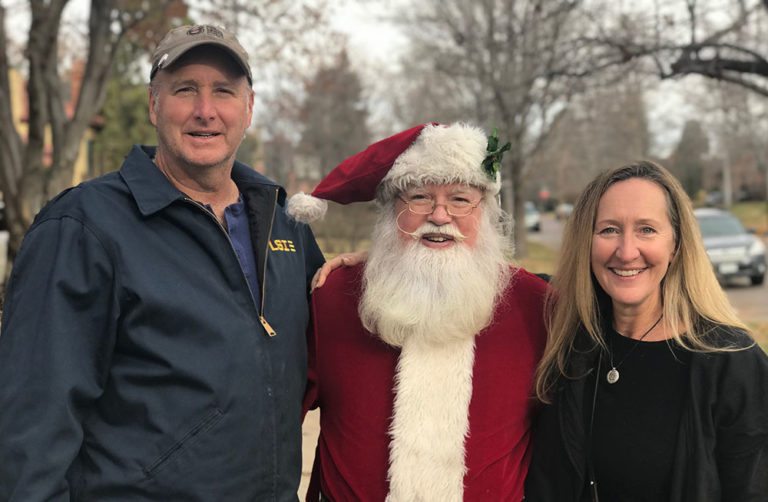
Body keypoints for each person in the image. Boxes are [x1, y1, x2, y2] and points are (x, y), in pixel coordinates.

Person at [0, 25, 324, 500]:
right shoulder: (84, 228)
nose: (205, 111)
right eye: (185, 90)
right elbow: (32, 422)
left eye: (223, 92)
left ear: (249, 108)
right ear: (154, 105)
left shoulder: (285, 225)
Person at [288, 122, 548, 501]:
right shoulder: (333, 300)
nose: (440, 216)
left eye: (461, 199)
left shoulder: (537, 306)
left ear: (487, 213)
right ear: (391, 212)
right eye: (420, 197)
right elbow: (270, 418)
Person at [524, 161, 768, 501]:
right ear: (586, 242)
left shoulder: (734, 364)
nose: (626, 252)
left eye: (647, 230)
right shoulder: (568, 339)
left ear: (676, 245)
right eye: (608, 229)